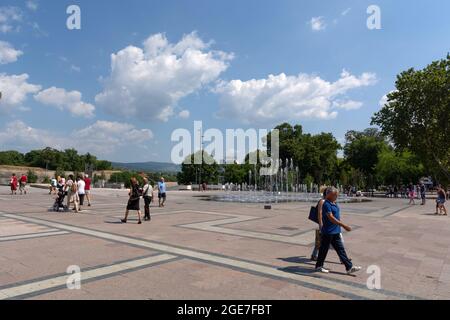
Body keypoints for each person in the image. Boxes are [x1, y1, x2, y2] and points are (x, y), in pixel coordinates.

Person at [315, 187, 361, 275]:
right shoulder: (326, 204)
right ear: (329, 195)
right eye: (335, 195)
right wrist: (344, 225)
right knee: (323, 250)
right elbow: (331, 218)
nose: (337, 196)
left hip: (335, 231)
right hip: (328, 231)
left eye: (337, 195)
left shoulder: (333, 203)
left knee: (340, 249)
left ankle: (349, 267)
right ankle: (319, 266)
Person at [311, 188, 327, 261]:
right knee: (319, 240)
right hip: (324, 224)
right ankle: (314, 255)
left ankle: (314, 255)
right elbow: (319, 213)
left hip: (329, 224)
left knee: (338, 243)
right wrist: (321, 225)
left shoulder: (328, 201)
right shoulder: (322, 201)